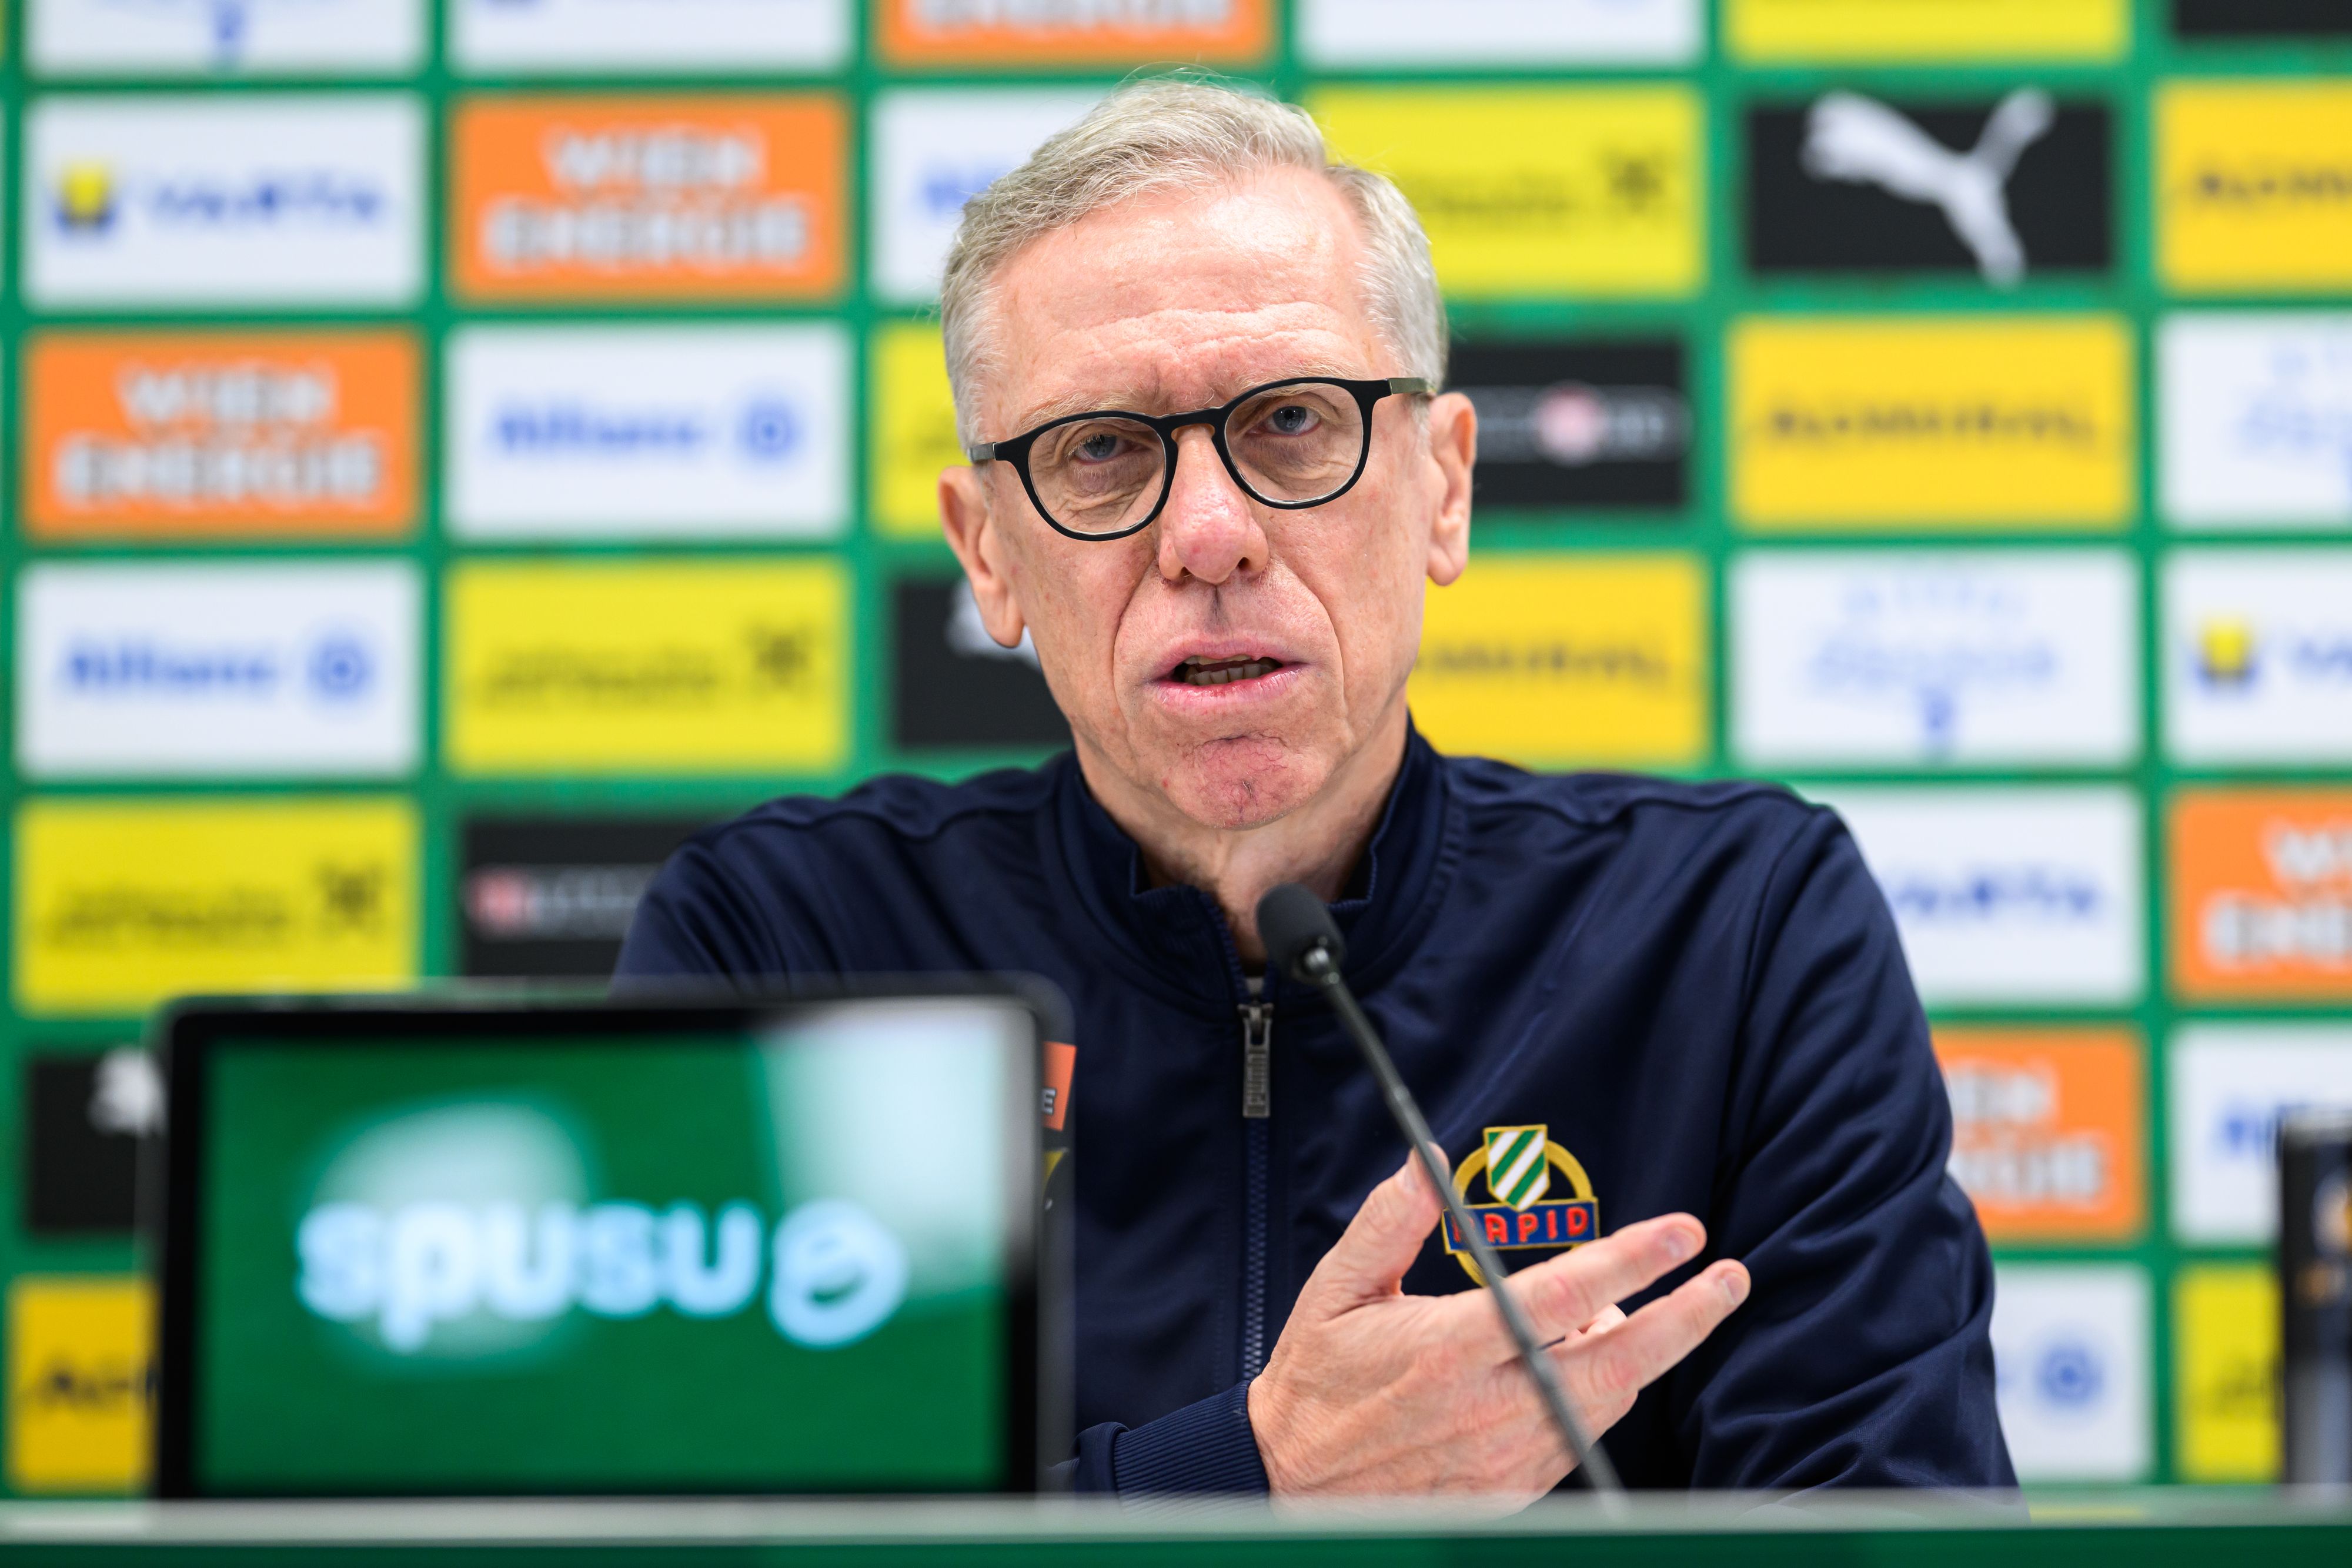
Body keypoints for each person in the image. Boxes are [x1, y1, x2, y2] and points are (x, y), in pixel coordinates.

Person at [616, 79, 2013, 1502]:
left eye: (1290, 421)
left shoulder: (1735, 929)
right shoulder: (786, 946)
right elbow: (687, 1527)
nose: (1209, 536)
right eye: (1100, 449)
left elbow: (1890, 1530)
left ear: (1444, 487)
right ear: (987, 557)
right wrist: (1257, 1471)